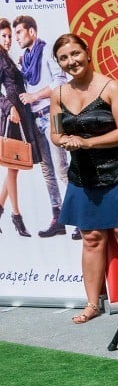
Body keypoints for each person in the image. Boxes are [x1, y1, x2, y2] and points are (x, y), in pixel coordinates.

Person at [50, 34, 118, 324]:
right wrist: (64, 140)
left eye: (75, 54)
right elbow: (56, 133)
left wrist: (87, 143)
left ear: (87, 53)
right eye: (64, 58)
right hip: (83, 178)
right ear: (58, 62)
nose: (71, 61)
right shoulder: (57, 94)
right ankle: (92, 304)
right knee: (91, 238)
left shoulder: (111, 88)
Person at [12, 15, 68, 237]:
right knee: (47, 172)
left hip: (53, 115)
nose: (17, 37)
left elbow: (60, 82)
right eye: (15, 33)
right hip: (34, 120)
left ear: (32, 32)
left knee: (62, 170)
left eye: (19, 32)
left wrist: (34, 96)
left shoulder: (47, 51)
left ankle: (82, 218)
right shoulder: (25, 60)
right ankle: (58, 218)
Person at [0, 17, 41, 236]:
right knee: (13, 167)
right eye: (4, 36)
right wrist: (9, 109)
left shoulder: (6, 56)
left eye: (9, 36)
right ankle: (16, 216)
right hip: (13, 114)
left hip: (21, 112)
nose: (8, 40)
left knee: (14, 166)